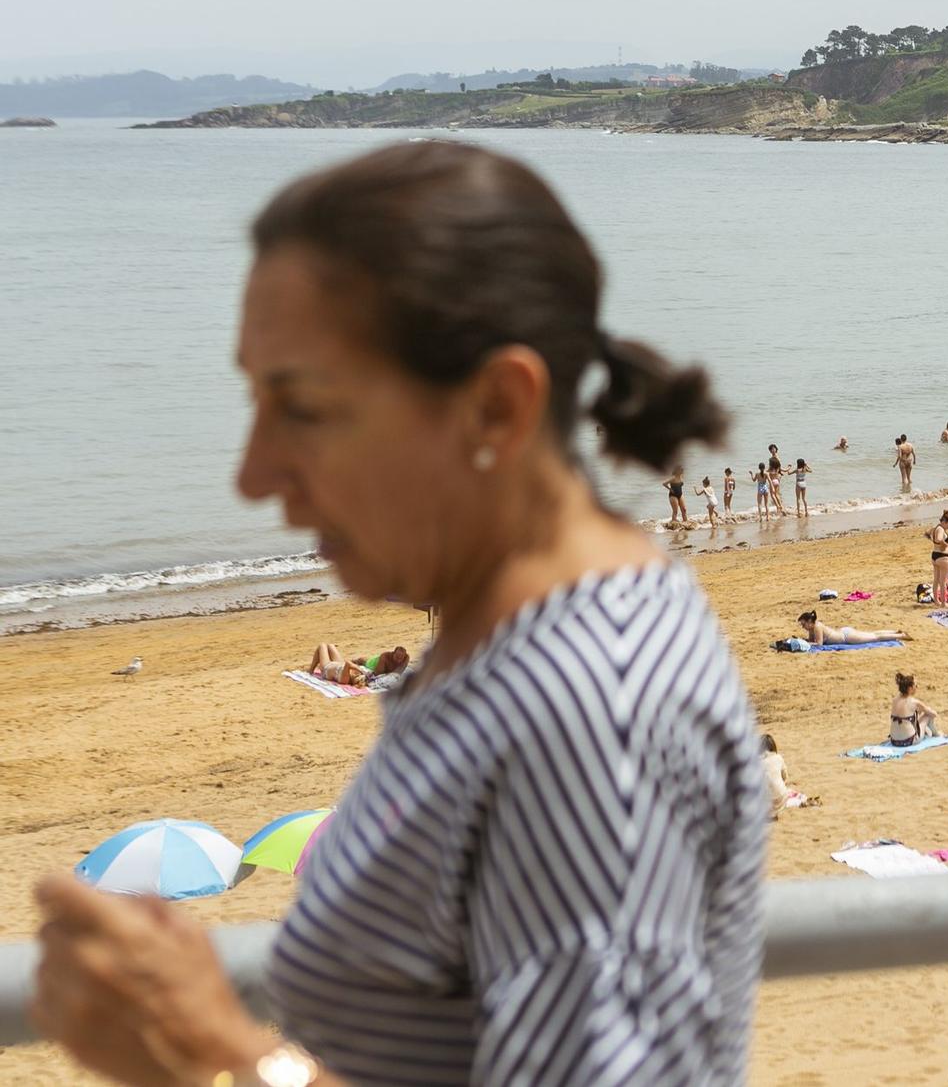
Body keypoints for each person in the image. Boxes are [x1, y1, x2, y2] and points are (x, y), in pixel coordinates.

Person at [32, 142, 765, 1085]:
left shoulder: (593, 712)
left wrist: (216, 1057)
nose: (253, 476)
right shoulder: (506, 644)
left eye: (303, 407)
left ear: (496, 409)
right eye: (255, 399)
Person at [305, 642, 409, 688]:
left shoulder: (344, 680)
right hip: (339, 664)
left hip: (327, 668)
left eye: (358, 677)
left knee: (322, 645)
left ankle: (311, 669)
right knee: (330, 646)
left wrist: (360, 670)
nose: (358, 675)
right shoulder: (385, 656)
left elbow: (348, 664)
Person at [796, 610, 910, 646]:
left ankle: (900, 635)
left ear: (810, 621)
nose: (803, 627)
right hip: (844, 633)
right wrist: (803, 641)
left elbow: (819, 644)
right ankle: (895, 632)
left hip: (847, 637)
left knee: (874, 637)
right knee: (872, 633)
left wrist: (806, 643)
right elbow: (812, 642)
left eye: (803, 624)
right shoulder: (812, 628)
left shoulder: (817, 627)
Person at [889, 671, 939, 747]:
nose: (917, 687)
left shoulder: (895, 700)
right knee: (928, 715)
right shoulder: (914, 702)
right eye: (916, 685)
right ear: (910, 688)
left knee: (912, 717)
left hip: (894, 741)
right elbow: (934, 715)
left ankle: (931, 733)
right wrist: (927, 711)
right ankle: (937, 735)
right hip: (909, 741)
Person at [926, 509, 948, 605]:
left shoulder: (935, 528)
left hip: (935, 555)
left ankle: (936, 601)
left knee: (936, 580)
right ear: (944, 522)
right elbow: (938, 539)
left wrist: (934, 541)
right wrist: (944, 544)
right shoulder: (941, 529)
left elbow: (927, 534)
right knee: (943, 581)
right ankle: (943, 603)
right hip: (943, 556)